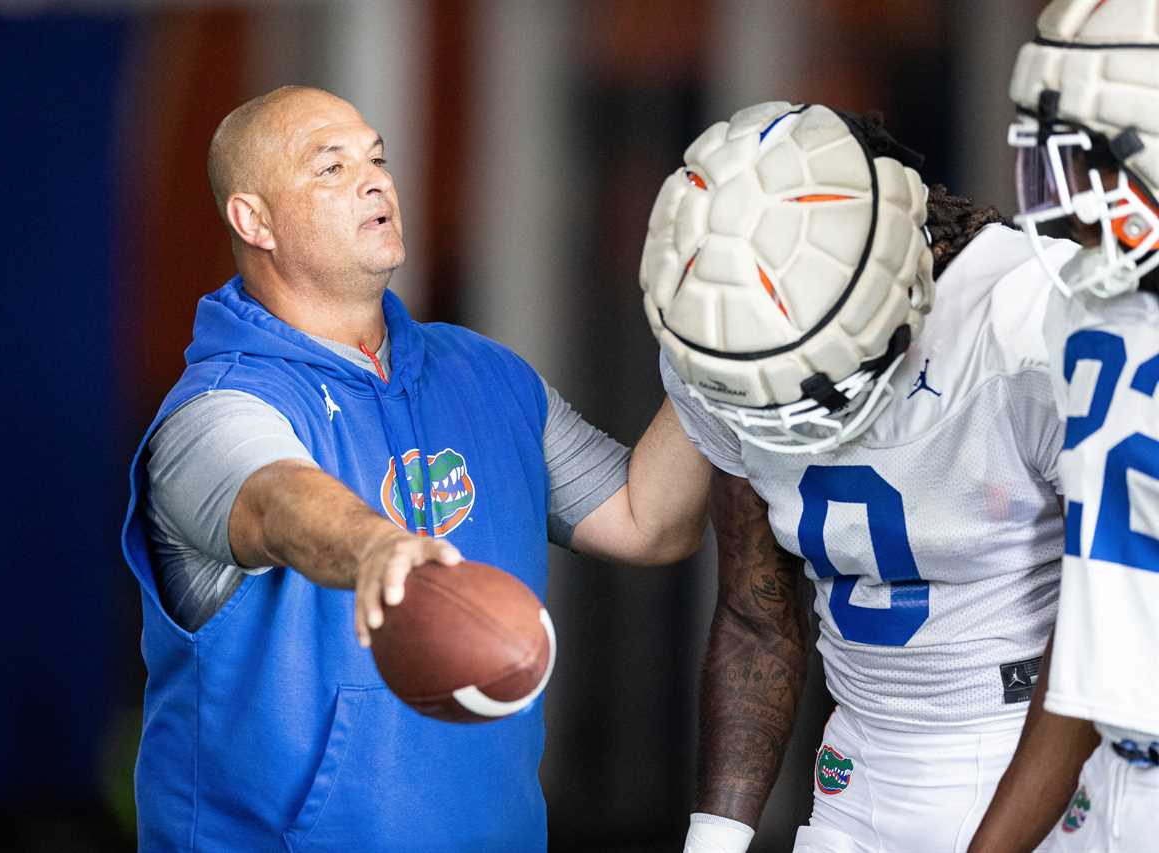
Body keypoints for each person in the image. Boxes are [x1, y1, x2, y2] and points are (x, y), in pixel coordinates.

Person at [119, 86, 711, 852]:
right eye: (330, 168)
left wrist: (720, 350)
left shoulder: (487, 376)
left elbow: (650, 519)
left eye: (377, 158)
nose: (374, 180)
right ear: (253, 220)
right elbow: (273, 500)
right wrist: (377, 548)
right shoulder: (215, 408)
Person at [639, 102, 1074, 853]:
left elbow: (1112, 628)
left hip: (1036, 753)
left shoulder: (1036, 318)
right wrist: (713, 840)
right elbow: (754, 611)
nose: (788, 411)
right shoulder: (718, 333)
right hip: (858, 766)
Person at [968, 2, 1159, 851]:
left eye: (1087, 158)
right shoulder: (1088, 312)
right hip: (1107, 781)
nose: (1066, 197)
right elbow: (1096, 630)